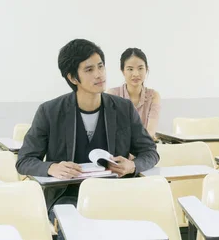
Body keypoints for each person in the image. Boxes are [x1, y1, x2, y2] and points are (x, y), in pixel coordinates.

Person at [16, 39, 159, 239]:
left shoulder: (123, 109)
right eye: (89, 70)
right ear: (73, 78)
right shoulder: (49, 111)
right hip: (67, 197)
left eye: (100, 66)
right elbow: (24, 160)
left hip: (116, 194)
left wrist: (132, 166)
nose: (99, 74)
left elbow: (150, 152)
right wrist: (51, 167)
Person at [107, 48, 160, 139]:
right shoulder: (112, 95)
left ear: (146, 69)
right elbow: (112, 130)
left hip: (145, 147)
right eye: (130, 69)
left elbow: (150, 132)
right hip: (120, 148)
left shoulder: (153, 96)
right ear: (123, 71)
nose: (136, 74)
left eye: (140, 68)